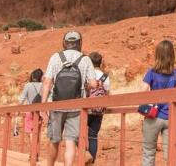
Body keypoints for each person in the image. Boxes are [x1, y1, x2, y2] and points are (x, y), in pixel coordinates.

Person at [40, 31, 98, 166]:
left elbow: (47, 82)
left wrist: (43, 105)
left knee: (54, 140)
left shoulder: (55, 57)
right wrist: (87, 86)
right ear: (79, 43)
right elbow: (94, 84)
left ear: (65, 43)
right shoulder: (85, 59)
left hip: (56, 105)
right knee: (71, 142)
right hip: (77, 107)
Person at [141, 40, 176, 166]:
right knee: (171, 154)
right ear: (172, 54)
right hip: (171, 117)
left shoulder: (151, 73)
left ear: (158, 55)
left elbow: (142, 92)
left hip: (153, 117)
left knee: (148, 153)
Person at [85, 52, 111, 165]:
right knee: (93, 136)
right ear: (100, 63)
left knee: (77, 134)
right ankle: (92, 162)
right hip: (99, 111)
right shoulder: (105, 77)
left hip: (85, 109)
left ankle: (85, 155)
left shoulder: (86, 74)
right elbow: (108, 93)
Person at [17, 69, 45, 138]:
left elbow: (22, 98)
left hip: (29, 112)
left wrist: (18, 110)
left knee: (31, 132)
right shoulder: (44, 85)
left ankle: (33, 148)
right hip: (40, 112)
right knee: (37, 132)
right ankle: (36, 148)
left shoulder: (28, 85)